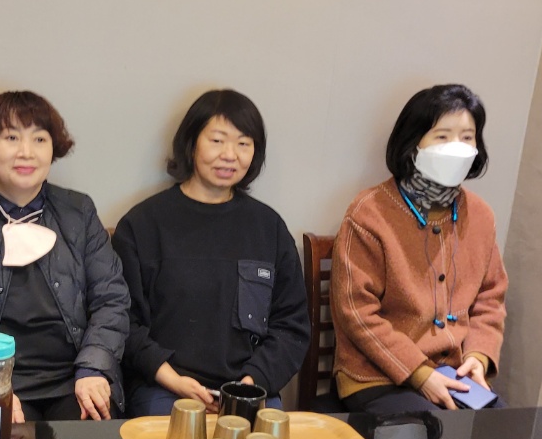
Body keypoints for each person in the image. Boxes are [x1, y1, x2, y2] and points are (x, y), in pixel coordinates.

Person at [0, 91, 129, 422]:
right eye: (11, 137)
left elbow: (111, 298)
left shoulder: (79, 211)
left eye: (40, 139)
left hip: (74, 379)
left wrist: (94, 367)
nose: (26, 152)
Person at [113, 89, 309, 416]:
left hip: (249, 389)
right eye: (217, 141)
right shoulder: (142, 225)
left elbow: (291, 326)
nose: (230, 155)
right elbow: (124, 322)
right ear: (191, 143)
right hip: (165, 389)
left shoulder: (269, 228)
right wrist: (174, 381)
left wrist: (250, 383)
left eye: (243, 143)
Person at [331, 83, 508, 414]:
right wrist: (420, 374)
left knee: (504, 434)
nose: (457, 148)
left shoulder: (481, 215)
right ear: (413, 143)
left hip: (454, 372)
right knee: (432, 431)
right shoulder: (369, 213)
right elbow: (356, 311)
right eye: (442, 136)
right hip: (375, 376)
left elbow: (490, 298)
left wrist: (478, 357)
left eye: (467, 137)